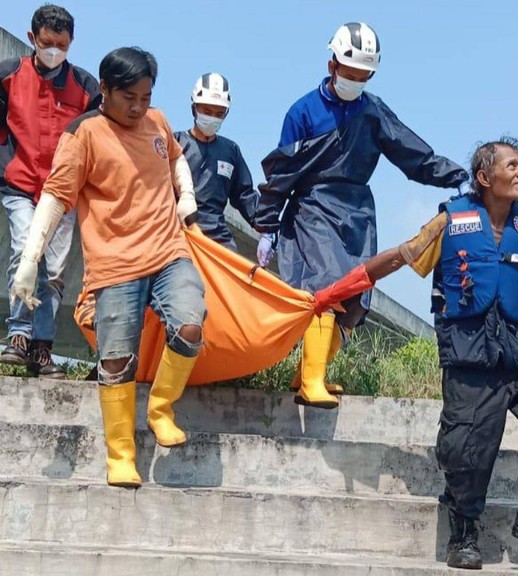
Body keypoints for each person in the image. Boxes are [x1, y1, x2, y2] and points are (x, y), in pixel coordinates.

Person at [314, 137, 518, 569]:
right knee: (467, 452)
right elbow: (399, 257)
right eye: (511, 165)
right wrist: (339, 290)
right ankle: (463, 537)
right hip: (471, 362)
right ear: (485, 178)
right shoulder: (451, 223)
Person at [10, 47, 206, 488]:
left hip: (168, 251)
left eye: (145, 96)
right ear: (104, 89)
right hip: (115, 265)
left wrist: (186, 194)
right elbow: (57, 197)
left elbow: (175, 156)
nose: (139, 107)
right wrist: (29, 261)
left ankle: (160, 407)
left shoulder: (156, 120)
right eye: (129, 98)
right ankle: (121, 453)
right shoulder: (83, 135)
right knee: (116, 361)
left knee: (191, 325)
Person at [254, 22, 469, 409]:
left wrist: (455, 176)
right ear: (332, 64)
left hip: (356, 214)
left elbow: (411, 152)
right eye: (349, 73)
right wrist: (267, 225)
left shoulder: (371, 111)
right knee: (328, 285)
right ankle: (312, 382)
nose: (355, 81)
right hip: (314, 207)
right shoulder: (303, 112)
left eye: (363, 76)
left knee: (355, 297)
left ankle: (306, 373)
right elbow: (282, 172)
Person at [0, 4, 101, 377]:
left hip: (63, 193)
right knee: (26, 248)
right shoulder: (8, 76)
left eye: (62, 44)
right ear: (32, 39)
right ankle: (19, 335)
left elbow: (96, 138)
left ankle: (42, 348)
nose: (54, 50)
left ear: (71, 43)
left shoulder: (88, 89)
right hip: (20, 183)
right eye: (47, 43)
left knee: (54, 271)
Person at [174, 73, 259, 250]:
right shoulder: (176, 143)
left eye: (219, 114)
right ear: (194, 108)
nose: (212, 118)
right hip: (180, 231)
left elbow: (244, 195)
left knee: (234, 275)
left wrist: (268, 227)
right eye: (206, 111)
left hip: (218, 237)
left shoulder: (230, 150)